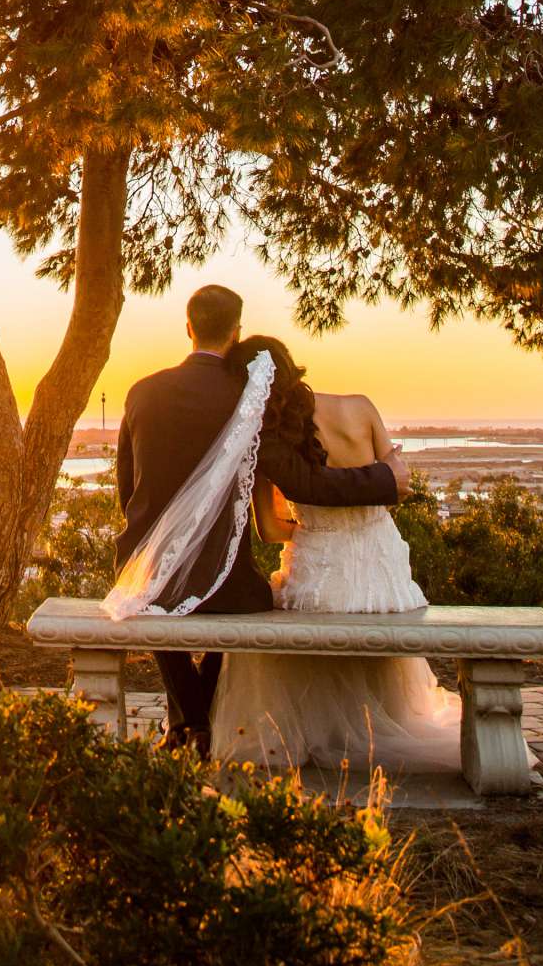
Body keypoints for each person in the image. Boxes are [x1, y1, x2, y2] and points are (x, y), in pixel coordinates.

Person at [113, 287, 411, 757]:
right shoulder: (250, 399)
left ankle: (185, 721)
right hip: (227, 584)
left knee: (151, 598)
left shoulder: (141, 391)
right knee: (246, 599)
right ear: (236, 332)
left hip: (148, 571)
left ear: (188, 327)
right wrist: (385, 478)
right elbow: (305, 484)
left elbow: (126, 490)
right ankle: (200, 720)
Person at [208, 334, 461, 774]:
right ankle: (382, 723)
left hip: (321, 570)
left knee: (267, 630)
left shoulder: (272, 436)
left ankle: (316, 732)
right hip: (383, 568)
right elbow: (395, 480)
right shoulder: (361, 406)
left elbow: (269, 529)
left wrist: (310, 524)